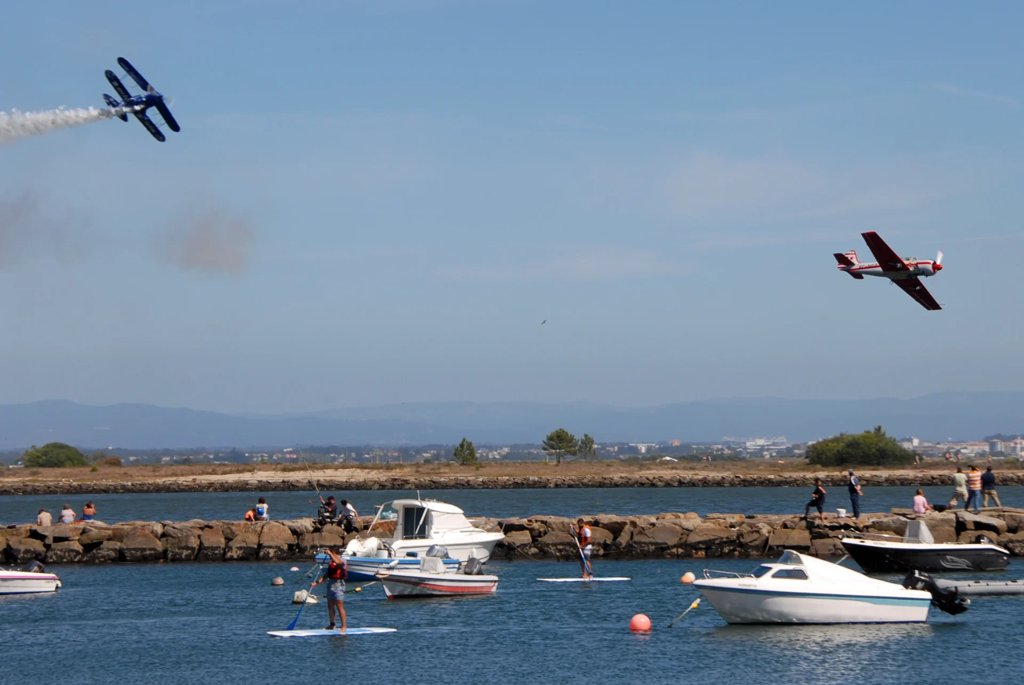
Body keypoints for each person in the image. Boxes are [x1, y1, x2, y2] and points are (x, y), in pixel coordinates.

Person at [311, 547, 347, 633]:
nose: (330, 556)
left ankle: (344, 626)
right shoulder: (331, 562)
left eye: (331, 554)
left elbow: (338, 563)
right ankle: (332, 624)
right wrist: (316, 583)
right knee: (330, 605)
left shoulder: (342, 560)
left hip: (339, 585)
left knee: (339, 606)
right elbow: (327, 575)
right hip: (330, 584)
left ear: (334, 553)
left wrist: (330, 553)